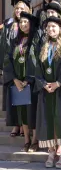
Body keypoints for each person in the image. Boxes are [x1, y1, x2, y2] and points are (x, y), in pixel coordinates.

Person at [31, 16, 61, 169]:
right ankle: (51, 151)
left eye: (54, 27)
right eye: (49, 27)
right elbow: (38, 69)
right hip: (46, 91)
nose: (51, 30)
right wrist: (43, 84)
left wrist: (58, 83)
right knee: (48, 120)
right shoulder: (44, 46)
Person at [3, 12, 39, 152]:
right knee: (21, 112)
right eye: (21, 22)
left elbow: (36, 60)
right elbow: (8, 60)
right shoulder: (15, 41)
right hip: (18, 83)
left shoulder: (35, 40)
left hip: (31, 82)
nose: (23, 24)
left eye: (26, 22)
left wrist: (29, 79)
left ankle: (35, 141)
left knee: (32, 111)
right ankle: (26, 140)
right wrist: (15, 79)